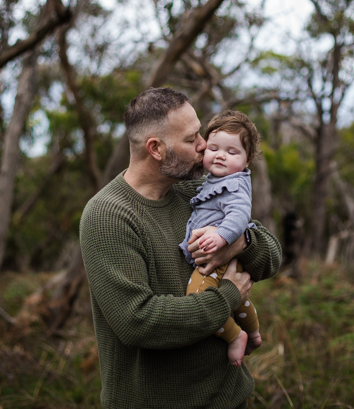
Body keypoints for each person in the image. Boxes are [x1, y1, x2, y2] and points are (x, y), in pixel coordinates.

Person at [80, 87, 281, 409]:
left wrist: (238, 242)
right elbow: (138, 322)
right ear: (156, 148)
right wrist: (230, 295)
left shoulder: (195, 190)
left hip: (228, 397)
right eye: (191, 139)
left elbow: (271, 258)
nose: (204, 145)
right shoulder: (108, 216)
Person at [179, 110, 262, 368]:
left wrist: (222, 238)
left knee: (197, 295)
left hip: (217, 257)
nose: (220, 155)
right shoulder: (214, 181)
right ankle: (255, 332)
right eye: (213, 148)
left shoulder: (234, 185)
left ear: (247, 160)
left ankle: (236, 336)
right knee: (240, 300)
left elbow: (239, 216)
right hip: (219, 254)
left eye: (232, 151)